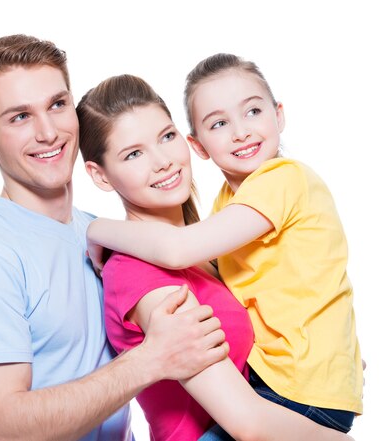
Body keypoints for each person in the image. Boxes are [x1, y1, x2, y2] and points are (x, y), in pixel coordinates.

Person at [0, 35, 230, 441]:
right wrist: (150, 360)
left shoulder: (102, 235)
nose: (48, 132)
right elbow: (7, 428)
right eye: (19, 117)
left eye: (57, 104)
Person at [86, 53, 364, 434]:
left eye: (166, 137)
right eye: (133, 154)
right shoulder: (138, 269)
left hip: (290, 401)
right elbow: (250, 425)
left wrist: (332, 358)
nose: (163, 161)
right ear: (200, 143)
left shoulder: (229, 221)